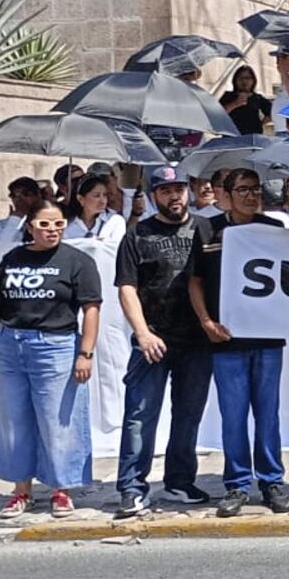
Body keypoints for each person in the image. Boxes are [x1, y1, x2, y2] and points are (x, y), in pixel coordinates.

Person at [0, 200, 101, 519]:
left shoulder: (77, 261)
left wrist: (85, 353)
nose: (52, 230)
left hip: (55, 346)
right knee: (13, 420)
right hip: (9, 345)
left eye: (57, 224)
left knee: (58, 420)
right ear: (30, 226)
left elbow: (91, 309)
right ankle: (21, 491)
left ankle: (61, 490)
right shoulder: (15, 257)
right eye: (44, 224)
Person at [187, 168, 289, 517]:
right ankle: (237, 484)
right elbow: (196, 281)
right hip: (226, 339)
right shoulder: (207, 229)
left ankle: (271, 481)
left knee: (268, 415)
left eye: (256, 189)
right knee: (233, 416)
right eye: (244, 190)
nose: (252, 195)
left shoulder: (274, 229)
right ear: (227, 194)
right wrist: (205, 322)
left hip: (266, 337)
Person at [112, 166, 214, 517]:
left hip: (197, 340)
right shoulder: (137, 234)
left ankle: (180, 481)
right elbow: (126, 287)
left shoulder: (205, 228)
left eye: (180, 189)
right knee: (140, 416)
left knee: (188, 415)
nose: (175, 196)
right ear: (154, 195)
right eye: (166, 190)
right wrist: (142, 333)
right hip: (152, 340)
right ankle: (132, 487)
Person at [64, 175, 127, 245]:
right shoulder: (66, 224)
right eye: (96, 196)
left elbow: (116, 248)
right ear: (80, 199)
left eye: (105, 195)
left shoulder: (115, 221)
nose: (102, 201)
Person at [220, 66, 272, 136]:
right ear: (235, 80)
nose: (244, 81)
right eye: (240, 78)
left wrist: (260, 124)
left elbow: (272, 113)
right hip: (231, 137)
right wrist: (235, 103)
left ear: (253, 81)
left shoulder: (258, 98)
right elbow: (219, 114)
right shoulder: (227, 96)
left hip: (252, 137)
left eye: (247, 78)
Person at [0, 177, 43, 243]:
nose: (20, 199)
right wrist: (14, 220)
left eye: (26, 194)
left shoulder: (48, 222)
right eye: (14, 196)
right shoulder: (0, 226)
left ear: (38, 195)